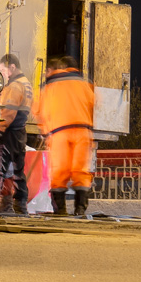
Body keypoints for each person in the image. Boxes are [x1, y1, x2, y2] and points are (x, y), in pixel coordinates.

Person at [33, 54, 96, 216]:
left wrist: (45, 130)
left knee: (59, 171)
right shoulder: (85, 85)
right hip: (83, 131)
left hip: (59, 133)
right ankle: (80, 209)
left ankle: (61, 210)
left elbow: (39, 110)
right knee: (81, 170)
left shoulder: (50, 87)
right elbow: (94, 103)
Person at [0, 52, 32, 214]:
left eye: (3, 69)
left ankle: (5, 205)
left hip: (7, 132)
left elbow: (8, 111)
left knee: (1, 168)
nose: (2, 74)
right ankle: (20, 206)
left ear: (12, 67)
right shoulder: (26, 83)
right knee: (17, 170)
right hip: (19, 131)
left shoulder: (14, 86)